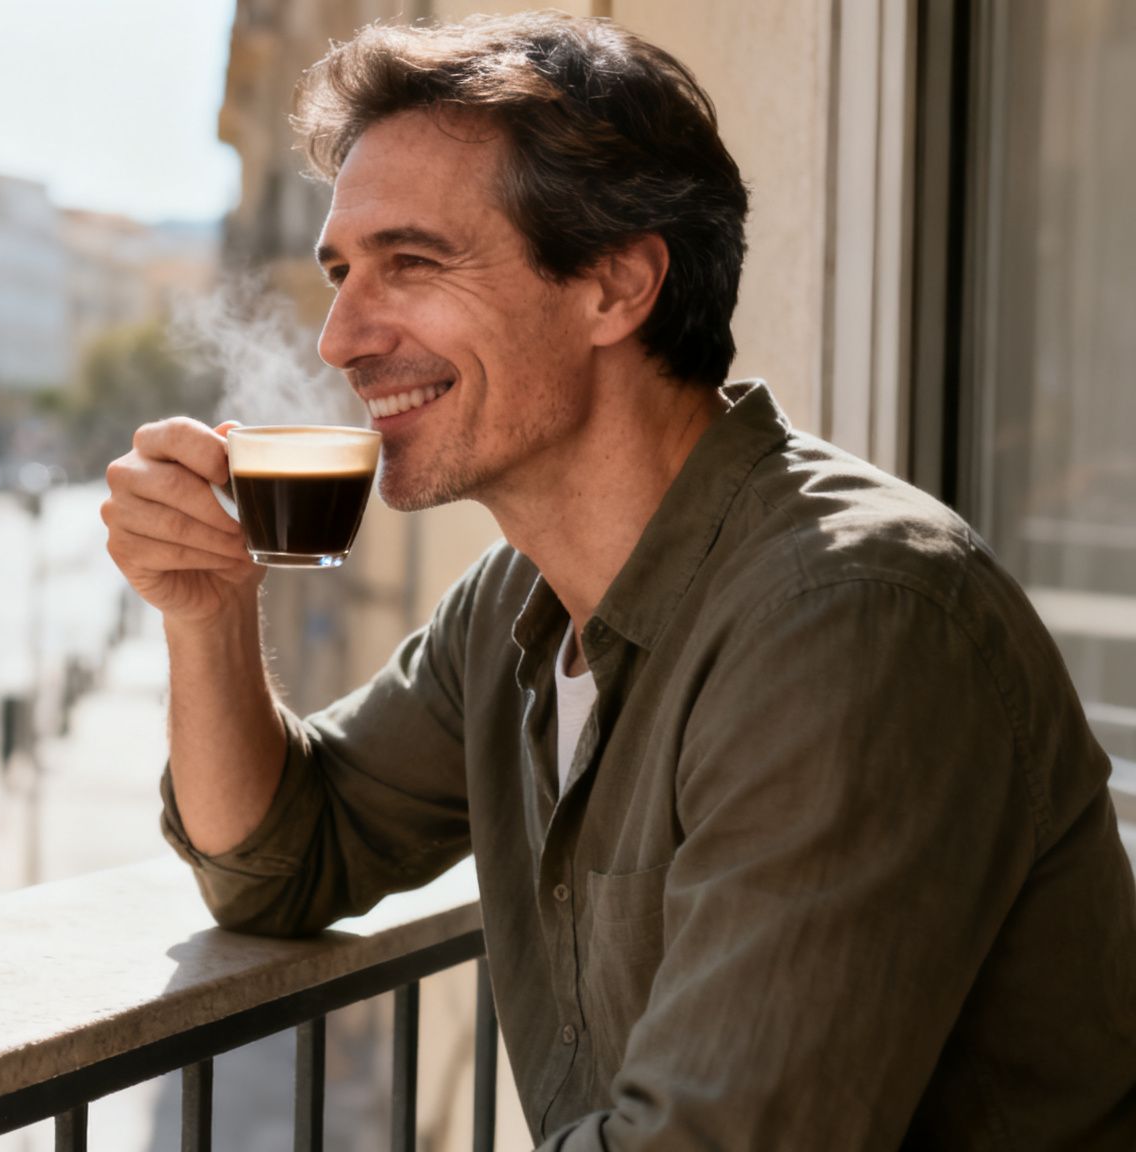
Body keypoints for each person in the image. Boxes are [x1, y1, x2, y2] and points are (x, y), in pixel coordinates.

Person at [101, 13, 1136, 1150]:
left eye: (410, 263)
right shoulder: (513, 608)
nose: (339, 339)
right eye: (342, 273)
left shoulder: (851, 619)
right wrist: (207, 613)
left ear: (613, 286)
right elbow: (281, 864)